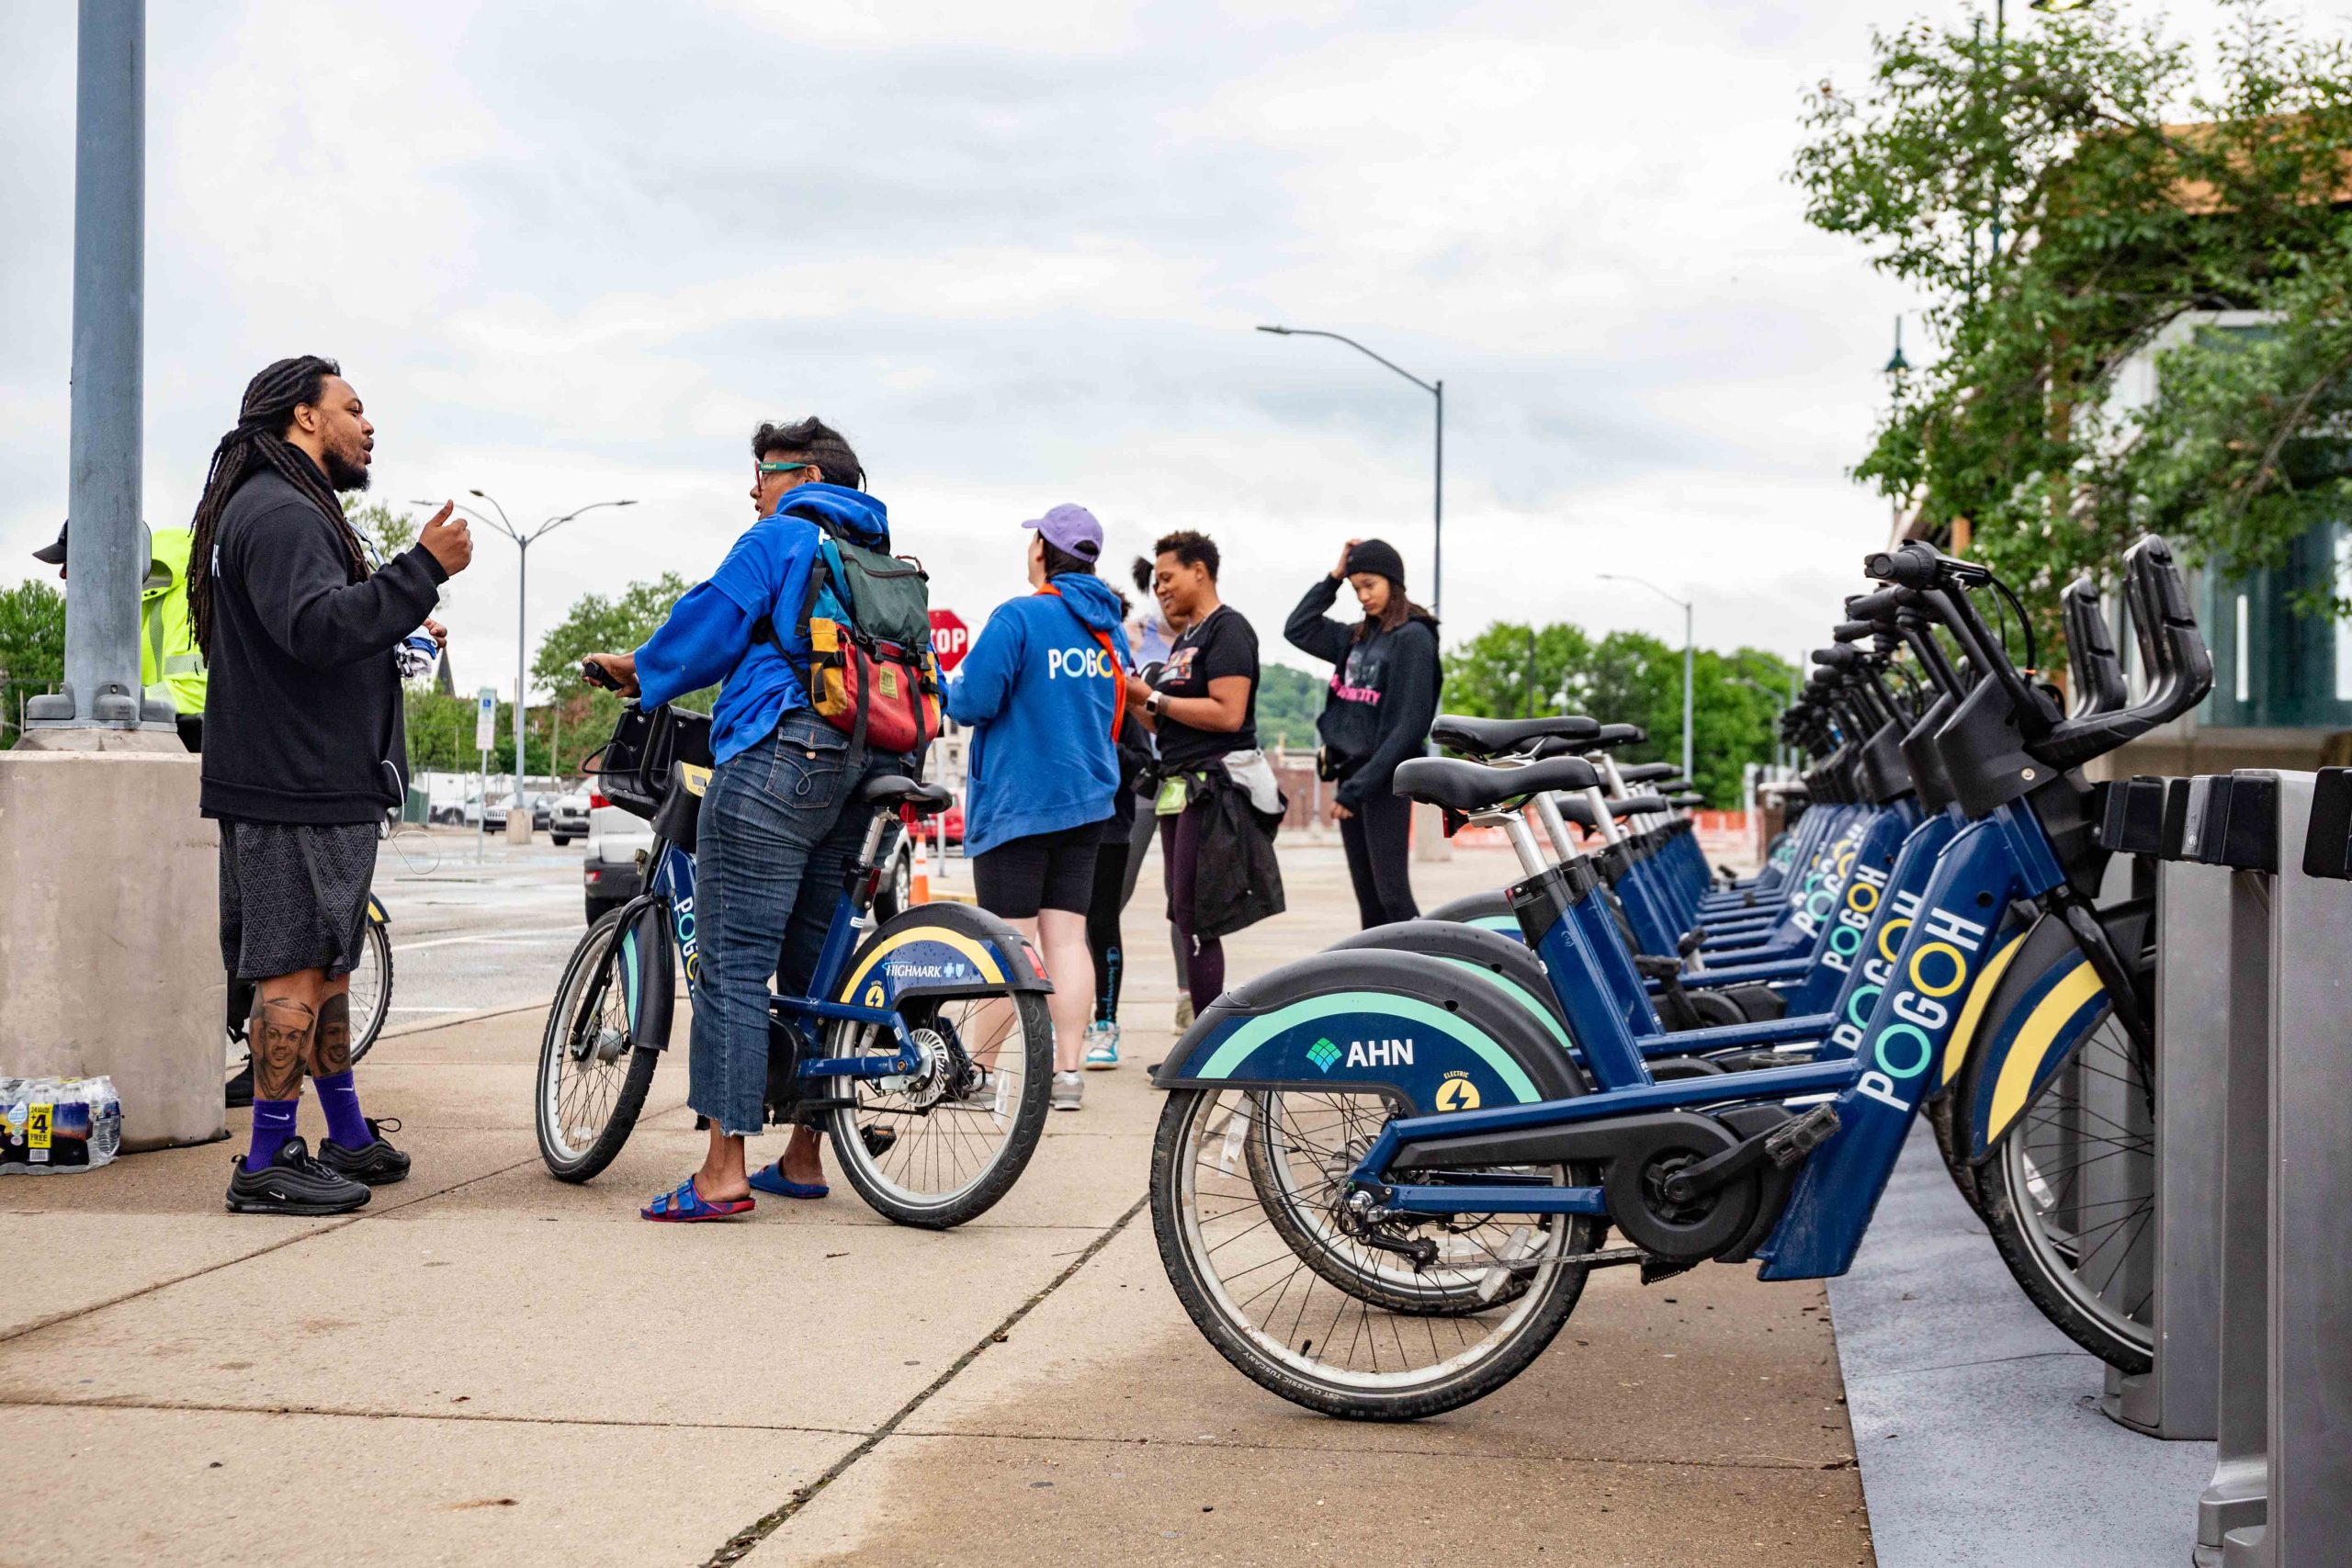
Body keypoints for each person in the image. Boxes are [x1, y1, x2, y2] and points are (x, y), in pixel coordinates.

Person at [582, 417, 913, 1220]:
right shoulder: (883, 561)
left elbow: (713, 621)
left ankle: (723, 1171)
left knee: (731, 960)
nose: (753, 492)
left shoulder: (782, 539)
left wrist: (645, 670)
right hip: (868, 766)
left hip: (779, 757)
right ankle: (803, 1156)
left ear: (803, 479)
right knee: (816, 970)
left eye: (762, 474)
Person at [192, 355, 466, 1215]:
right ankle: (268, 1159)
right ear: (306, 419)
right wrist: (419, 567)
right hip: (293, 785)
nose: (367, 424)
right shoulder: (278, 513)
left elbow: (318, 627)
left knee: (328, 968)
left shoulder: (289, 511)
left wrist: (394, 614)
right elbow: (313, 628)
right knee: (291, 972)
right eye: (353, 408)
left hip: (314, 781)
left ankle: (343, 1132)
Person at [947, 504, 1132, 1111]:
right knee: (1067, 939)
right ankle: (1068, 1072)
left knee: (1006, 943)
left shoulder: (1019, 617)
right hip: (1087, 804)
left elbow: (972, 702)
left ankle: (978, 1072)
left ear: (1042, 551)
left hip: (1019, 805)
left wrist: (940, 680)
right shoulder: (1109, 630)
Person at [1130, 530, 1261, 1023]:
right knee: (1182, 912)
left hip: (1211, 788)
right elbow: (1164, 719)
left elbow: (1228, 713)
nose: (1160, 589)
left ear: (1199, 571)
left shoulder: (1228, 630)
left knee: (1200, 917)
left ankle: (1207, 1045)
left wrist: (1154, 697)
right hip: (1176, 783)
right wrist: (1131, 695)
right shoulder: (1185, 639)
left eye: (1167, 577)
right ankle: (1200, 1043)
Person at [1283, 536, 1442, 928]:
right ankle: (1380, 982)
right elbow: (1297, 629)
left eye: (1370, 585)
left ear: (1393, 580)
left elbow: (1407, 728)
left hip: (1385, 779)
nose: (1363, 596)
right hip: (1351, 774)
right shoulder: (1355, 637)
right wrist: (1335, 577)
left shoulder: (1414, 639)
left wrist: (1358, 790)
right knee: (1369, 900)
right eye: (1356, 588)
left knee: (1392, 895)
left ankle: (1430, 974)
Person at [33, 520, 209, 752]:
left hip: (202, 753)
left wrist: (121, 704)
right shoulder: (132, 603)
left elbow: (195, 692)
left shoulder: (189, 592)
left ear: (111, 561)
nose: (63, 574)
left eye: (71, 562)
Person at [1116, 555, 1192, 1033]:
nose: (1165, 594)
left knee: (1182, 898)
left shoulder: (1201, 638)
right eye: (1158, 584)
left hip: (1186, 781)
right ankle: (1100, 1013)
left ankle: (1188, 1001)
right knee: (1112, 893)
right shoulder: (1131, 637)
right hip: (1143, 781)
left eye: (1171, 582)